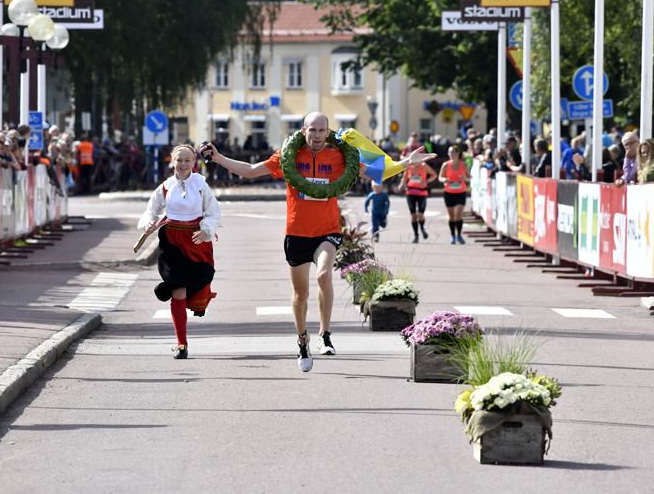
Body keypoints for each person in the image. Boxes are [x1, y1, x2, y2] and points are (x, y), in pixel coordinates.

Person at [200, 112, 435, 372]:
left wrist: (407, 162)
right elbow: (252, 171)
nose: (317, 136)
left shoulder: (338, 155)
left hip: (327, 230)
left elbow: (375, 173)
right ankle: (302, 339)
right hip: (297, 232)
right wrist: (219, 158)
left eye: (322, 130)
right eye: (312, 130)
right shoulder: (289, 155)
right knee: (301, 295)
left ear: (328, 132)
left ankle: (325, 333)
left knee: (324, 276)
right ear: (304, 131)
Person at [137, 144, 221, 360]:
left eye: (187, 161)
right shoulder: (165, 187)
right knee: (178, 290)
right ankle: (181, 344)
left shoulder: (201, 185)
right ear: (172, 162)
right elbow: (151, 210)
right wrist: (148, 222)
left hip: (196, 241)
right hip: (172, 242)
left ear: (194, 163)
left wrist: (206, 231)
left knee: (200, 279)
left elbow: (213, 213)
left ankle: (200, 298)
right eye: (179, 160)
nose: (183, 164)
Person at [398, 159, 437, 243]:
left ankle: (422, 228)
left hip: (422, 193)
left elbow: (434, 175)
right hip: (410, 192)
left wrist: (426, 181)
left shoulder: (423, 166)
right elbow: (405, 177)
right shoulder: (408, 167)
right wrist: (402, 184)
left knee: (420, 215)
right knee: (413, 216)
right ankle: (416, 235)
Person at [438, 144, 470, 244]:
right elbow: (440, 178)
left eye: (453, 152)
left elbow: (469, 177)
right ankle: (453, 235)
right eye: (449, 152)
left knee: (458, 214)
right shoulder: (446, 165)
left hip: (460, 192)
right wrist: (445, 179)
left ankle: (459, 235)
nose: (451, 154)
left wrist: (464, 178)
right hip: (449, 192)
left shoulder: (463, 165)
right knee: (451, 216)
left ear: (458, 153)